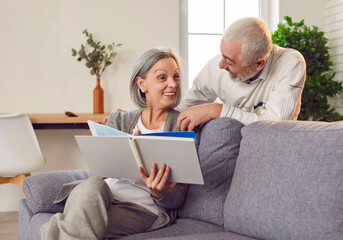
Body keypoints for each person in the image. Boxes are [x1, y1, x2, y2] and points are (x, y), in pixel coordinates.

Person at [41, 47, 187, 240]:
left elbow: (179, 196)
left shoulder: (182, 126)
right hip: (100, 196)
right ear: (141, 84)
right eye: (162, 78)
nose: (173, 84)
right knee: (92, 184)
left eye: (176, 77)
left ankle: (52, 231)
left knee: (78, 224)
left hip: (143, 209)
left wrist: (160, 194)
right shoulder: (119, 120)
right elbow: (98, 173)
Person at [177, 17, 306, 131]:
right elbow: (183, 109)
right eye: (222, 55)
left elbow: (275, 126)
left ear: (258, 64)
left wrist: (217, 110)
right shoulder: (216, 67)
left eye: (229, 62)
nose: (221, 65)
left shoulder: (290, 63)